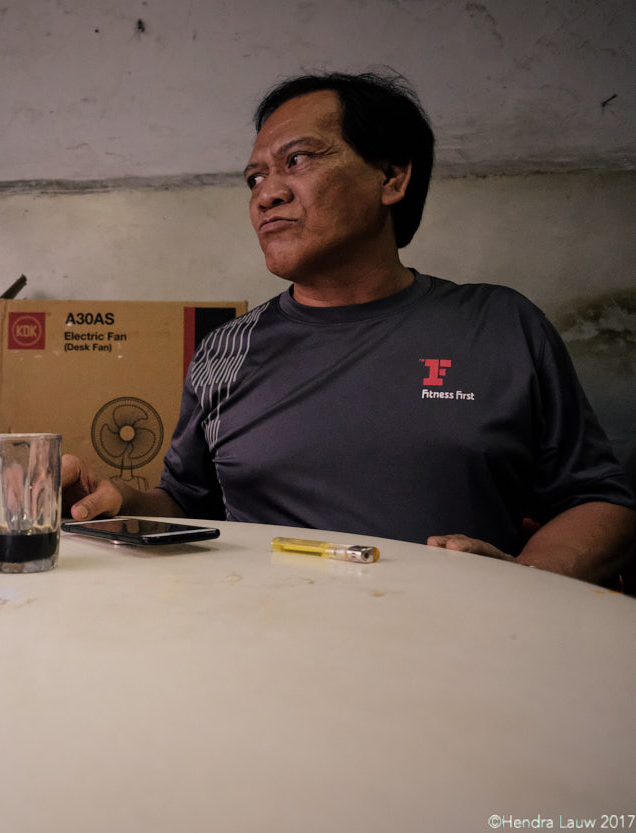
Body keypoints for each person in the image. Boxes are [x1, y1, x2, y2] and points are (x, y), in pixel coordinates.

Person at [62, 71, 636, 584]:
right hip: (257, 647)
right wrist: (121, 505)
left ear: (391, 177)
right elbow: (189, 504)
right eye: (254, 177)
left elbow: (601, 502)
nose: (267, 194)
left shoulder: (500, 324)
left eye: (298, 160)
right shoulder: (226, 349)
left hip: (463, 657)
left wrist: (525, 580)